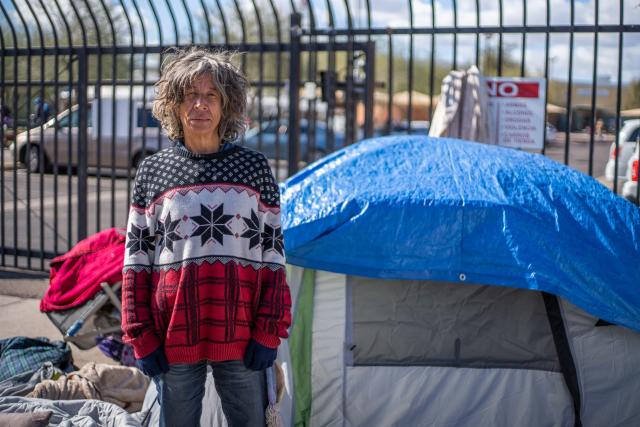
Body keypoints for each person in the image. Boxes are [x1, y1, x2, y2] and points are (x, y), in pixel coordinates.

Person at [121, 47, 292, 427]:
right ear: (174, 104)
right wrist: (140, 337)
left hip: (244, 336)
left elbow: (274, 258)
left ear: (226, 104)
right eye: (189, 95)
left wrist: (269, 332)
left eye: (211, 95)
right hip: (172, 338)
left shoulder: (254, 170)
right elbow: (135, 262)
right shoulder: (152, 171)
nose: (200, 105)